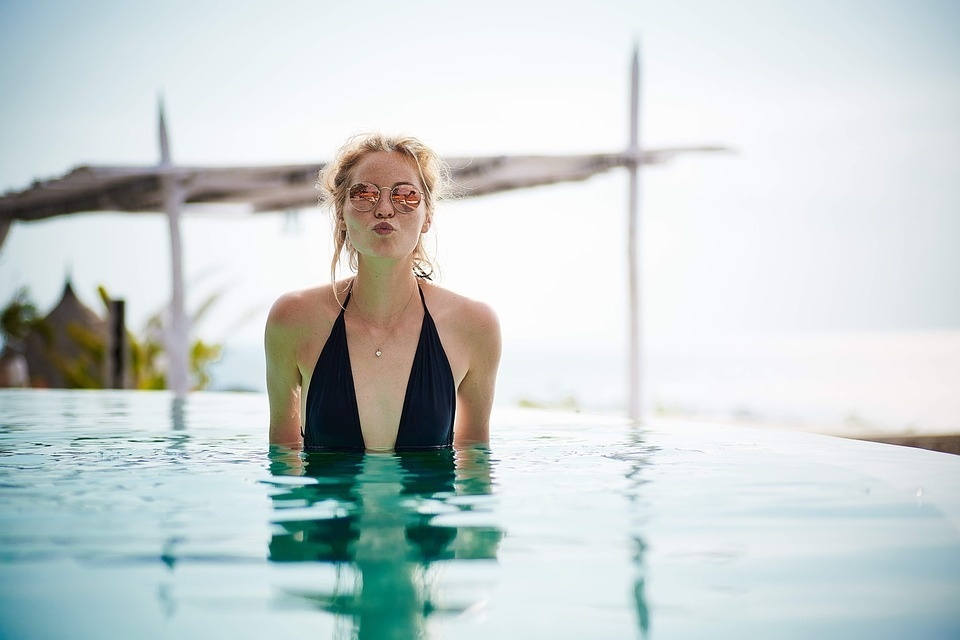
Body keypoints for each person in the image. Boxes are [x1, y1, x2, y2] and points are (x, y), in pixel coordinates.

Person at [265, 133, 501, 452]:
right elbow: (282, 457)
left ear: (428, 215)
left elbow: (474, 461)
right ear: (341, 212)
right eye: (364, 194)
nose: (385, 209)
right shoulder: (294, 318)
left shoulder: (473, 325)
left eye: (406, 196)